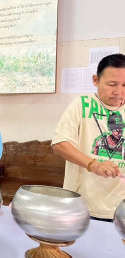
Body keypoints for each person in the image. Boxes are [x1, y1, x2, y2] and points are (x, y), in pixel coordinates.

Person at [52, 53, 125, 221]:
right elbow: (60, 143)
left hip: (120, 207)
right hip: (82, 205)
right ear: (95, 80)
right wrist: (93, 164)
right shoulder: (81, 104)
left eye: (124, 85)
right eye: (112, 84)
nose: (118, 92)